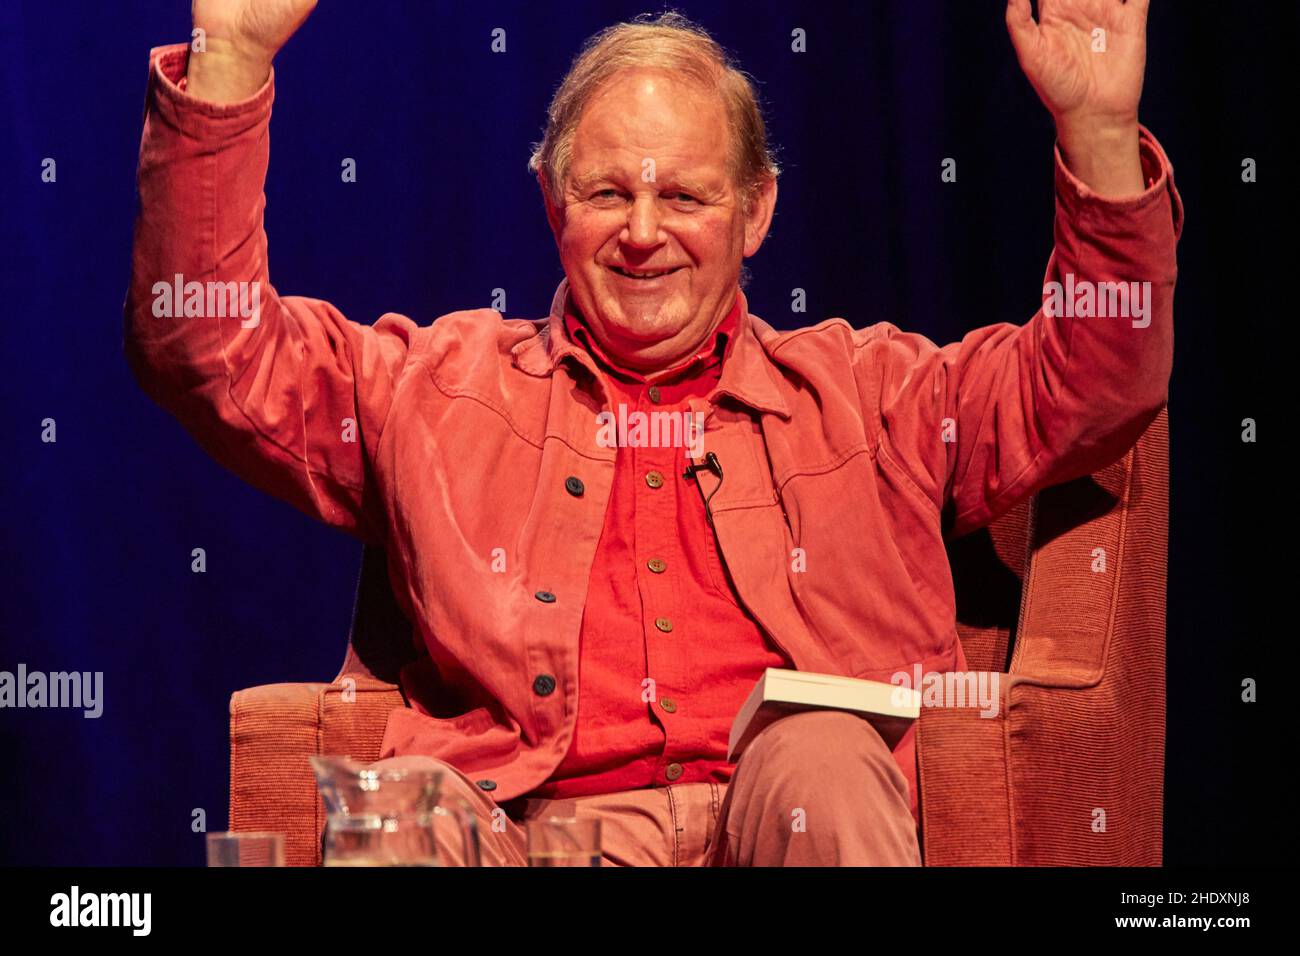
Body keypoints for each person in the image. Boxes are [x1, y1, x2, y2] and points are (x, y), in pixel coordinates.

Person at [125, 1, 1180, 866]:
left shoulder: (876, 394)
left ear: (756, 212)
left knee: (819, 759)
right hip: (531, 830)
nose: (641, 231)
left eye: (684, 194)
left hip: (791, 815)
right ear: (551, 202)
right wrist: (228, 63)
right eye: (605, 192)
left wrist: (1093, 136)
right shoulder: (432, 389)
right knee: (398, 814)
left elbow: (1097, 380)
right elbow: (202, 347)